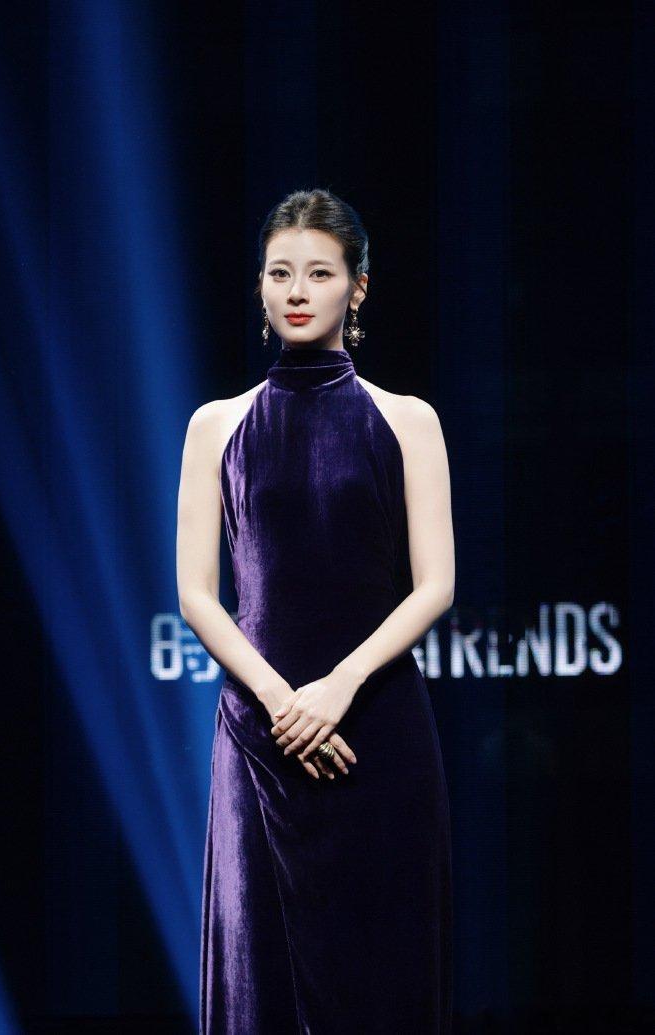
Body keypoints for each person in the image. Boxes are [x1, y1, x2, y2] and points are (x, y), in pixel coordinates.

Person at [177, 188, 455, 1034]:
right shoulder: (215, 425)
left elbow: (436, 584)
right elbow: (196, 593)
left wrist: (338, 685)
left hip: (377, 727)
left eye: (320, 273)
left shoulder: (408, 420)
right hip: (259, 733)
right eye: (280, 273)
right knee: (258, 974)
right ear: (260, 286)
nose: (297, 290)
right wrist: (281, 700)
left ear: (357, 286)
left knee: (385, 973)